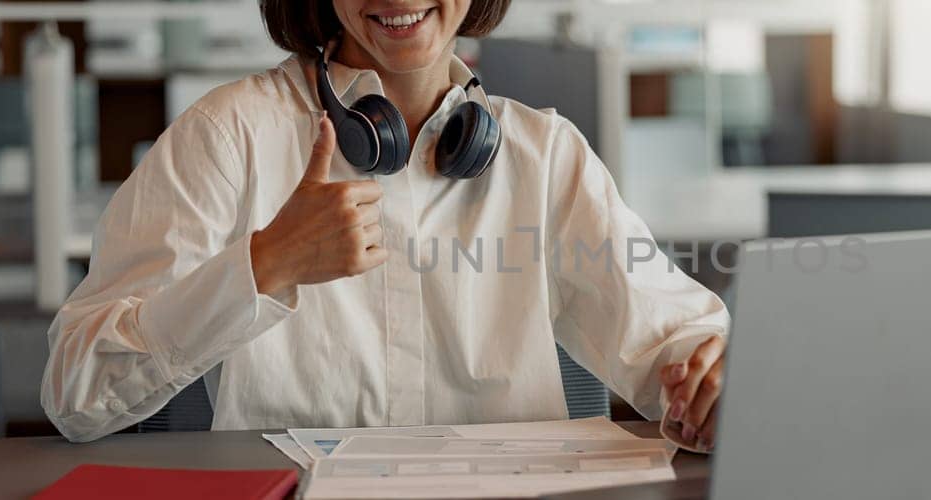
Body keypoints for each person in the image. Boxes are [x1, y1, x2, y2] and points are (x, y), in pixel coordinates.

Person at [39, 0, 730, 451]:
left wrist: (713, 382)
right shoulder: (227, 138)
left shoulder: (544, 155)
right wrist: (264, 264)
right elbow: (75, 395)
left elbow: (675, 344)